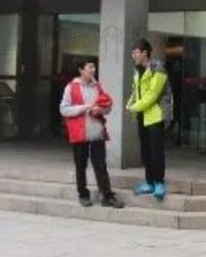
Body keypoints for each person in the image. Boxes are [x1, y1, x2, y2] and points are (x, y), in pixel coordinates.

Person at [58, 59, 123, 209]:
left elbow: (107, 107)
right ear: (81, 70)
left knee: (100, 164)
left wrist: (102, 110)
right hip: (80, 133)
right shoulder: (71, 87)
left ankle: (107, 196)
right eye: (90, 67)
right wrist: (85, 107)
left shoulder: (97, 87)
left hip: (97, 132)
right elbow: (64, 109)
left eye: (94, 67)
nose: (93, 69)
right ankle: (83, 195)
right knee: (81, 165)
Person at [126, 38, 172, 200]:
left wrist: (134, 107)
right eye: (133, 53)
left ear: (145, 53)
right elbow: (136, 91)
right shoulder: (138, 70)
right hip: (143, 115)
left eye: (136, 53)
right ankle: (149, 182)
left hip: (156, 116)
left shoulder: (158, 70)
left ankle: (159, 183)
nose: (133, 55)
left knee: (156, 151)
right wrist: (130, 103)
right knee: (145, 151)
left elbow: (152, 95)